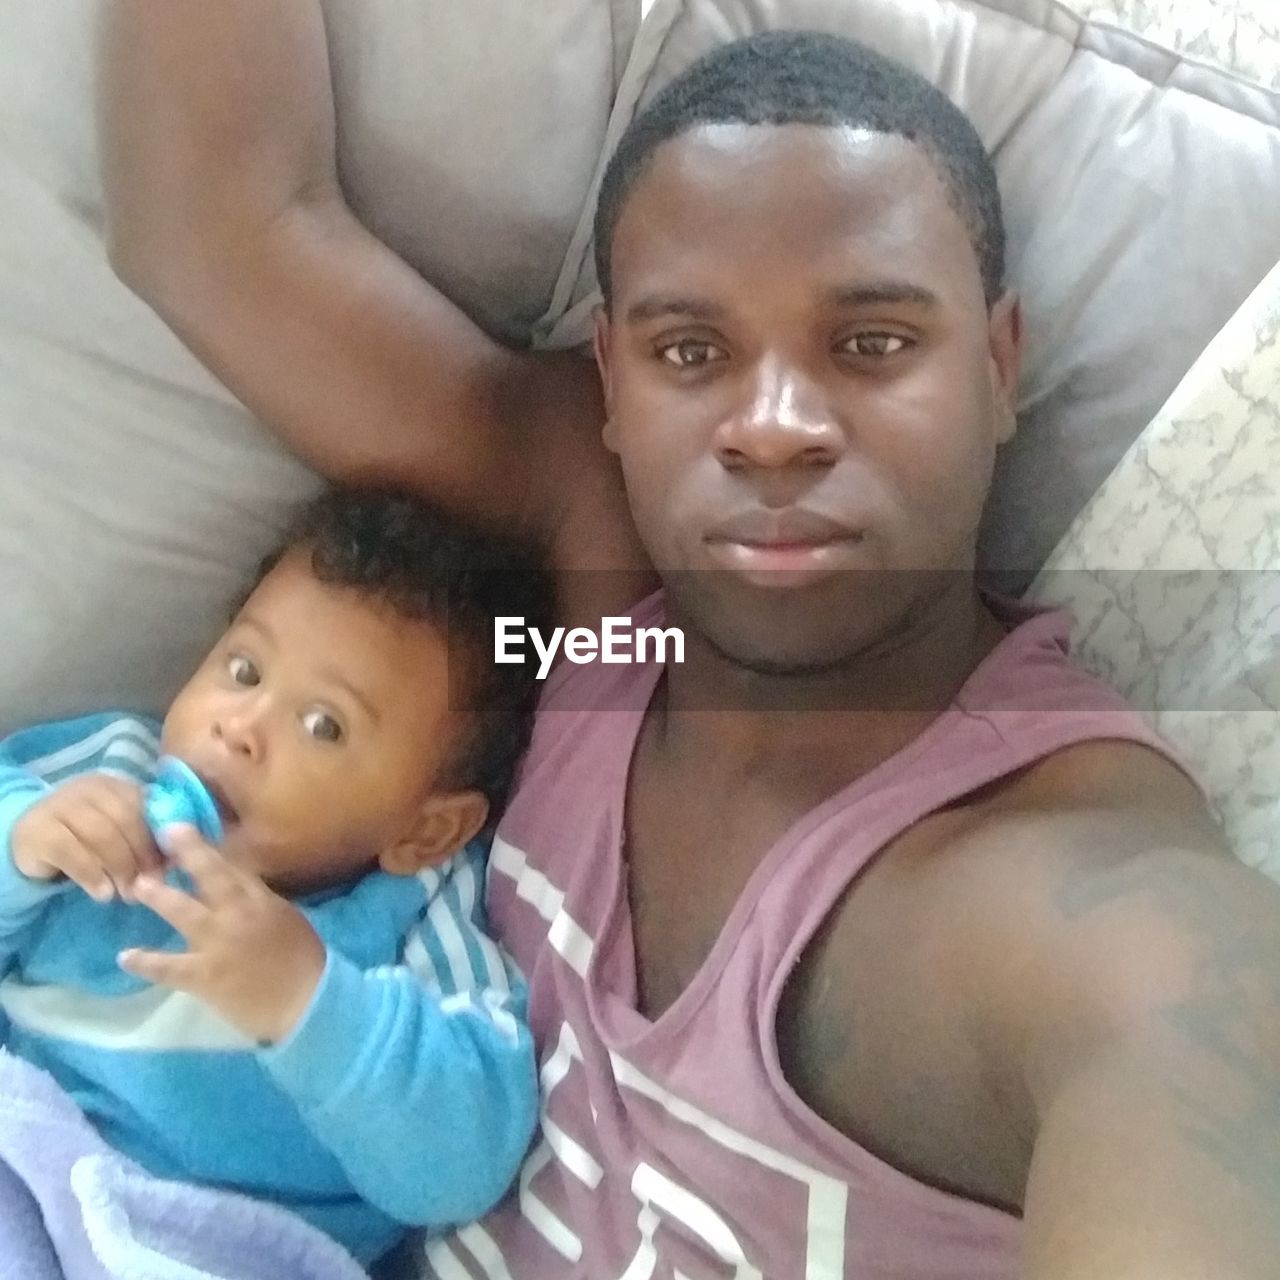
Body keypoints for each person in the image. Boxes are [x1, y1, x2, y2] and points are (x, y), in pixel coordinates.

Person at [103, 7, 1280, 1277]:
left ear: (999, 364)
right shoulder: (600, 595)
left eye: (871, 343)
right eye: (690, 351)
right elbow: (217, 227)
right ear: (609, 383)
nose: (772, 427)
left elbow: (1189, 1058)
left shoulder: (1074, 898)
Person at [0, 486, 548, 1267]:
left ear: (425, 828)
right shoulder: (102, 772)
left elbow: (463, 1164)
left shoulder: (416, 916)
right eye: (244, 668)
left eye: (323, 725)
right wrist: (23, 845)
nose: (241, 726)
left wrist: (308, 1002)